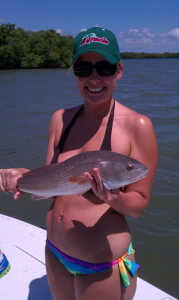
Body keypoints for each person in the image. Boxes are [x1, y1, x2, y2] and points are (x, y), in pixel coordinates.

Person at [0, 27, 158, 299]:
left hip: (101, 265)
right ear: (73, 72)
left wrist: (113, 198)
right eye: (84, 69)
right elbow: (53, 179)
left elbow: (139, 205)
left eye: (104, 67)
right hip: (54, 251)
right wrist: (24, 178)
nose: (94, 78)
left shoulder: (138, 126)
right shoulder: (60, 118)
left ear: (118, 70)